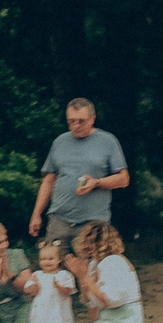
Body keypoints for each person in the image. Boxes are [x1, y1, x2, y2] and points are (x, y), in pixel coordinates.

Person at [27, 97, 129, 246]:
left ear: (92, 119)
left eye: (81, 121)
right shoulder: (60, 142)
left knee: (89, 269)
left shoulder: (108, 141)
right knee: (54, 268)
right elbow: (48, 181)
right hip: (59, 221)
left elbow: (124, 179)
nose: (75, 126)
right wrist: (36, 214)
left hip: (93, 224)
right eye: (71, 121)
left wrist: (97, 183)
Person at [55, 221, 145, 323]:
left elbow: (110, 300)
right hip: (111, 321)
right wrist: (81, 278)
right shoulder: (95, 264)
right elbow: (90, 302)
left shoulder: (114, 262)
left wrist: (86, 278)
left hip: (124, 322)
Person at [16, 239, 78, 323]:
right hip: (43, 310)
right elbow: (32, 292)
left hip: (59, 309)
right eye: (43, 259)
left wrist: (60, 287)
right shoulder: (37, 275)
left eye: (50, 259)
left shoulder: (64, 275)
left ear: (59, 259)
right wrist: (35, 285)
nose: (46, 262)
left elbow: (68, 291)